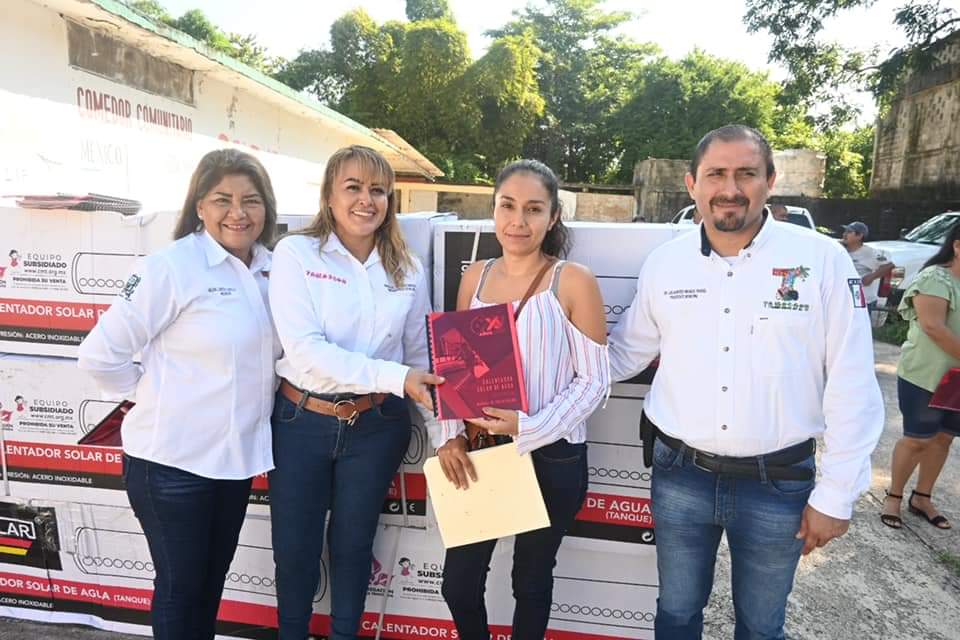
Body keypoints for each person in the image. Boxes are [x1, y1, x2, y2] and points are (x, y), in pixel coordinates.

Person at [608, 125, 884, 640]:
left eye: (746, 174)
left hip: (777, 483)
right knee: (676, 614)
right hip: (681, 475)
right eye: (716, 174)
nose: (730, 189)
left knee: (760, 626)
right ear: (692, 184)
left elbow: (852, 380)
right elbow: (625, 353)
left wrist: (836, 494)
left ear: (770, 181)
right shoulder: (665, 264)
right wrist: (545, 374)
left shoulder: (821, 260)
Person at [77, 148, 281, 639]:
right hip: (170, 464)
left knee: (208, 586)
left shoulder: (273, 269)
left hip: (233, 464)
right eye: (222, 199)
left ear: (267, 208)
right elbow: (99, 355)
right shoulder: (171, 267)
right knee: (180, 588)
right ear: (199, 206)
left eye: (251, 200)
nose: (238, 212)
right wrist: (152, 395)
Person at [267, 145, 442, 639]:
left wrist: (445, 434)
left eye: (378, 190)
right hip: (302, 423)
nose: (367, 200)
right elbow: (306, 351)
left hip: (378, 427)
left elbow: (419, 357)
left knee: (354, 546)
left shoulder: (407, 267)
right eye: (353, 187)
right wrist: (397, 379)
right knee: (295, 550)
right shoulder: (296, 254)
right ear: (328, 195)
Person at [434, 159, 609, 640]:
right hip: (483, 451)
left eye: (533, 209)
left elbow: (595, 381)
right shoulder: (475, 277)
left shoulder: (572, 281)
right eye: (507, 206)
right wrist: (451, 436)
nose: (518, 221)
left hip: (552, 456)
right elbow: (456, 368)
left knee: (530, 582)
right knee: (458, 584)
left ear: (553, 217)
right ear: (493, 210)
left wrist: (527, 427)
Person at [880, 223, 960, 530]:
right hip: (926, 375)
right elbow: (933, 327)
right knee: (917, 439)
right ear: (957, 246)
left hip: (957, 379)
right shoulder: (935, 278)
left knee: (944, 438)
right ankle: (894, 496)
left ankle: (922, 497)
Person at [841, 220, 895, 313]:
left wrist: (871, 277)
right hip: (844, 298)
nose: (844, 234)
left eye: (849, 232)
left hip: (862, 299)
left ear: (859, 236)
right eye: (845, 231)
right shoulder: (840, 249)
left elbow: (889, 265)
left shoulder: (869, 252)